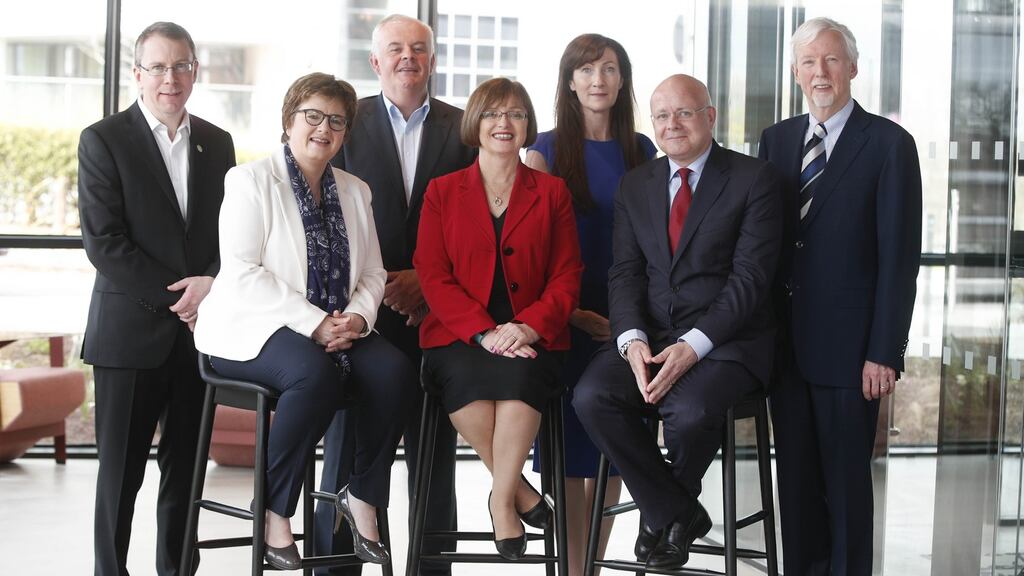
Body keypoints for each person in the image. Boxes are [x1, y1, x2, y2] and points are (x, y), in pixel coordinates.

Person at [193, 72, 416, 570]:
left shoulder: (356, 191)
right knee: (311, 375)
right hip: (257, 326)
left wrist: (357, 319)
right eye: (312, 116)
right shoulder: (249, 180)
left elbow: (375, 271)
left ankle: (362, 495)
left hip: (339, 327)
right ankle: (274, 509)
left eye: (336, 120)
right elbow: (243, 271)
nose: (323, 128)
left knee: (395, 372)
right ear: (288, 121)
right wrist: (315, 323)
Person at [573, 74, 783, 570]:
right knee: (592, 396)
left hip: (728, 341)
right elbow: (624, 271)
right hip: (651, 336)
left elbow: (750, 281)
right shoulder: (637, 183)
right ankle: (675, 513)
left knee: (687, 414)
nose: (672, 125)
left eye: (685, 113)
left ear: (710, 117)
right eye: (662, 116)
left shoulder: (755, 179)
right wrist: (631, 340)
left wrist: (695, 344)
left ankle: (661, 519)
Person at [758, 17, 921, 576]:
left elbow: (899, 259)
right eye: (809, 61)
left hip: (854, 354)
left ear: (852, 67)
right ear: (796, 72)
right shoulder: (776, 140)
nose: (820, 72)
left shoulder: (889, 145)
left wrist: (885, 350)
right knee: (796, 485)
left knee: (847, 487)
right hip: (787, 347)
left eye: (831, 60)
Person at [318, 15, 476, 575]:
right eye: (395, 49)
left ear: (432, 61)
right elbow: (319, 216)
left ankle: (432, 569)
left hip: (438, 319)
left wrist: (427, 283)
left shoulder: (465, 130)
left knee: (435, 463)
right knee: (347, 453)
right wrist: (381, 285)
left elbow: (481, 228)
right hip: (361, 317)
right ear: (376, 62)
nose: (408, 57)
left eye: (419, 49)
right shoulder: (342, 123)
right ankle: (335, 568)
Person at [77, 21, 236, 576]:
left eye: (182, 66)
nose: (171, 78)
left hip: (197, 337)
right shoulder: (104, 139)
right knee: (118, 479)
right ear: (137, 73)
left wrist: (211, 282)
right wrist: (181, 298)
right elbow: (105, 243)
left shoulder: (218, 142)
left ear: (195, 71)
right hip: (129, 335)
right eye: (159, 67)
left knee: (186, 477)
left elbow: (231, 235)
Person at [414, 77, 582, 560]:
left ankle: (501, 498)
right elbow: (432, 272)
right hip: (458, 334)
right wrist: (484, 333)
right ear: (475, 123)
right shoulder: (442, 192)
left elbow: (568, 274)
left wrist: (528, 326)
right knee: (467, 378)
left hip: (533, 334)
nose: (503, 123)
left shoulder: (552, 193)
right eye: (491, 113)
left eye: (515, 114)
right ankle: (518, 496)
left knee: (522, 371)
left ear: (528, 125)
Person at [524, 33, 656, 575]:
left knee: (612, 455)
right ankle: (573, 569)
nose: (598, 79)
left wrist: (632, 323)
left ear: (622, 79)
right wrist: (571, 312)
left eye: (608, 68)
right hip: (567, 315)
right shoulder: (545, 151)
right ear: (570, 81)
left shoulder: (644, 151)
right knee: (567, 460)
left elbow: (658, 245)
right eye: (586, 70)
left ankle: (588, 568)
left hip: (629, 321)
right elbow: (532, 255)